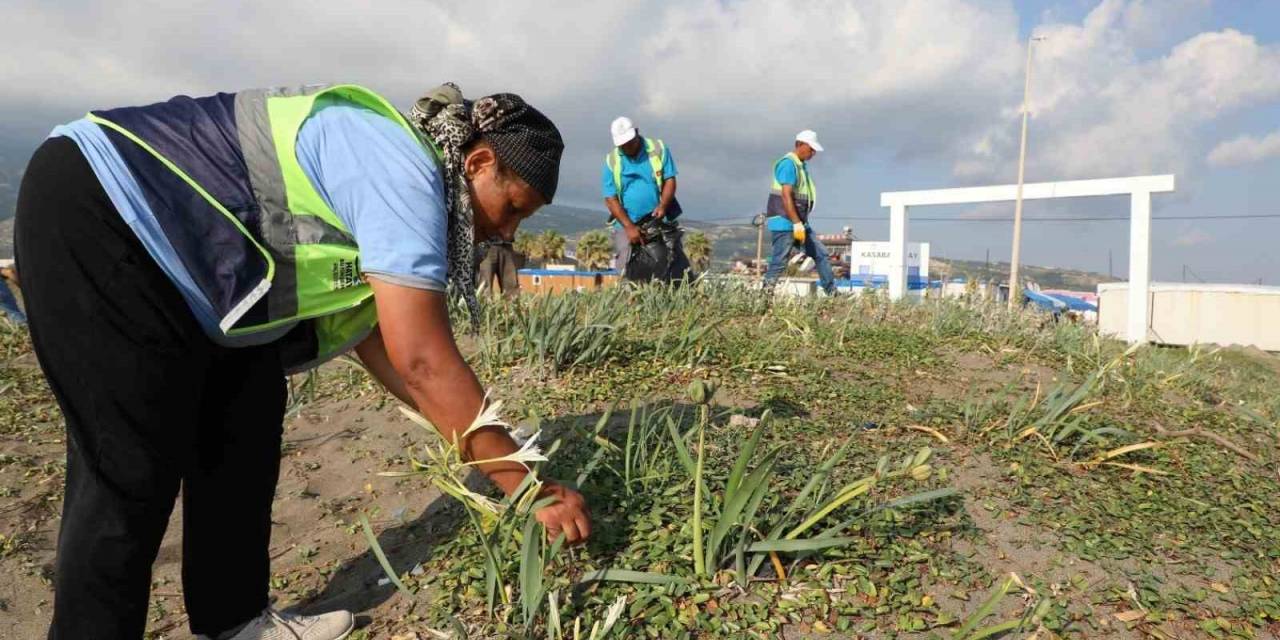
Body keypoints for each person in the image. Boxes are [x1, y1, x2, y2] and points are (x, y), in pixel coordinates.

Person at [15, 82, 590, 640]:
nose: (506, 230)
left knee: (247, 412)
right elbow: (423, 362)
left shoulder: (410, 189)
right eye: (512, 206)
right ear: (478, 162)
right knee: (128, 464)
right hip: (102, 207)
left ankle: (234, 618)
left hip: (204, 275)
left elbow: (391, 351)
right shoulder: (403, 173)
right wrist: (528, 488)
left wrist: (498, 452)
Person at [601, 116, 689, 281]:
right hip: (628, 223)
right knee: (628, 269)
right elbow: (610, 198)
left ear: (636, 133)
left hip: (659, 220)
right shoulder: (611, 161)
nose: (626, 147)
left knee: (672, 264)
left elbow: (670, 179)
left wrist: (663, 206)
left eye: (629, 142)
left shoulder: (658, 149)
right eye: (622, 145)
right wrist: (629, 227)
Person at [763, 130, 836, 294]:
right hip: (785, 221)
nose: (813, 153)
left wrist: (799, 224)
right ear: (800, 145)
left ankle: (832, 293)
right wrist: (796, 223)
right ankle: (764, 297)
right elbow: (786, 196)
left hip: (799, 223)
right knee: (779, 261)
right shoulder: (788, 164)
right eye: (811, 149)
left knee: (821, 254)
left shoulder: (800, 166)